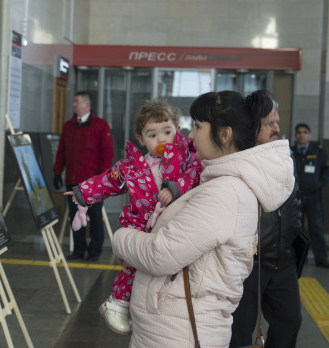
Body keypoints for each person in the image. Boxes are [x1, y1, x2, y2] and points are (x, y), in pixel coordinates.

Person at [109, 90, 294, 347]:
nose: (190, 135)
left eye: (198, 126)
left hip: (179, 333)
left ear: (225, 133)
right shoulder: (219, 182)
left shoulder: (226, 193)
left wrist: (122, 238)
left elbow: (161, 254)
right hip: (171, 328)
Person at [67, 100, 202, 334]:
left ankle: (146, 307)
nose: (161, 139)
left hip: (174, 226)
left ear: (177, 131)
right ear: (140, 138)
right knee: (132, 267)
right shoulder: (133, 166)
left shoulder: (187, 155)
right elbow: (108, 180)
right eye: (152, 135)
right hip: (141, 224)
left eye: (167, 132)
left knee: (168, 270)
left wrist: (174, 188)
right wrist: (83, 192)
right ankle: (118, 303)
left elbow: (196, 171)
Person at [230, 90, 303, 347]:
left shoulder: (284, 156)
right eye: (269, 123)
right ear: (252, 125)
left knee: (291, 321)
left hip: (283, 260)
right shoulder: (236, 161)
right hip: (251, 263)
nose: (277, 128)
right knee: (239, 330)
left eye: (277, 122)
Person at [53, 91, 114, 262]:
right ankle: (79, 249)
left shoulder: (100, 126)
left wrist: (101, 180)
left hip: (93, 183)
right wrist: (57, 171)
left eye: (76, 101)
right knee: (76, 218)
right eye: (73, 101)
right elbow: (61, 152)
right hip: (74, 182)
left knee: (94, 216)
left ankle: (95, 250)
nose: (73, 104)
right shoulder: (68, 126)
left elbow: (107, 155)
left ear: (86, 105)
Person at [292, 122, 329, 267]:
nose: (302, 135)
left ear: (310, 135)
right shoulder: (290, 152)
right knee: (296, 229)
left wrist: (318, 184)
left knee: (317, 228)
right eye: (299, 132)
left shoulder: (319, 152)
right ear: (295, 135)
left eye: (305, 132)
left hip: (314, 198)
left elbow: (326, 171)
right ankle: (298, 259)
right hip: (296, 198)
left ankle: (321, 258)